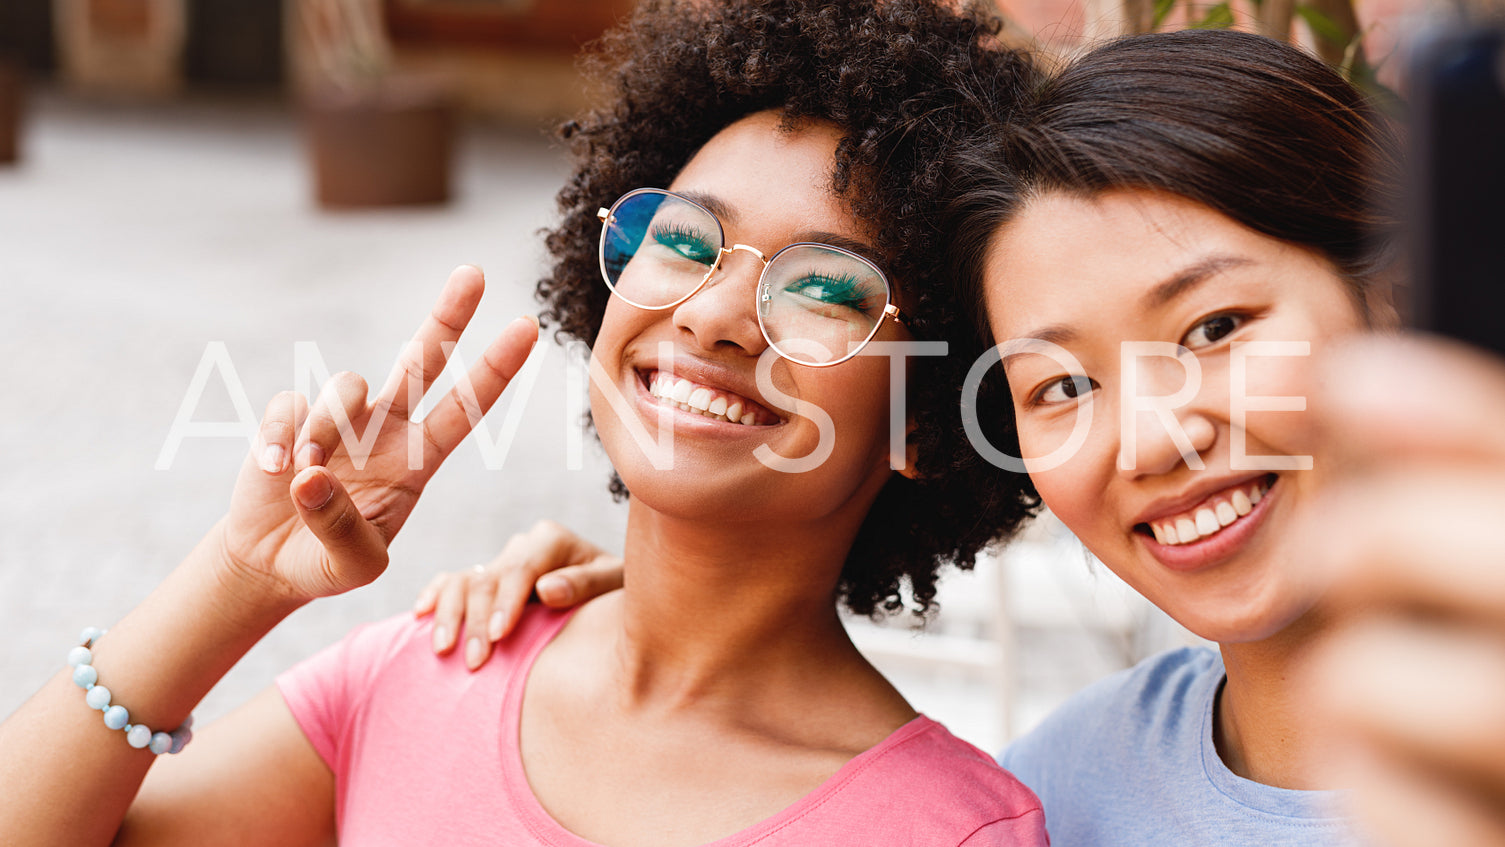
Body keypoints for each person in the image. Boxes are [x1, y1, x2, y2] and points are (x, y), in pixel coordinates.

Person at [0, 1, 1052, 845]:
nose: (715, 313)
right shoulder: (433, 664)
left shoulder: (952, 827)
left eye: (824, 288)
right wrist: (238, 578)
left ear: (923, 408)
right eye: (683, 241)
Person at [432, 28, 1503, 847]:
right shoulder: (1061, 795)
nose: (1151, 438)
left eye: (1214, 328)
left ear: (1398, 301)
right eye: (1059, 384)